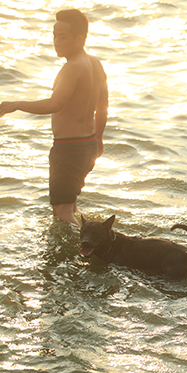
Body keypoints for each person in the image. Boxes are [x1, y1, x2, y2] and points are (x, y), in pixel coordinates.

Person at [0, 9, 108, 227]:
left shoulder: (72, 68)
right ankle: (87, 243)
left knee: (62, 214)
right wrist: (99, 140)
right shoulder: (95, 63)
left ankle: (92, 249)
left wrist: (16, 104)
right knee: (71, 207)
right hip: (87, 144)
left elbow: (55, 104)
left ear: (80, 39)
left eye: (63, 37)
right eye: (54, 35)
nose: (56, 42)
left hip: (69, 149)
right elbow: (103, 106)